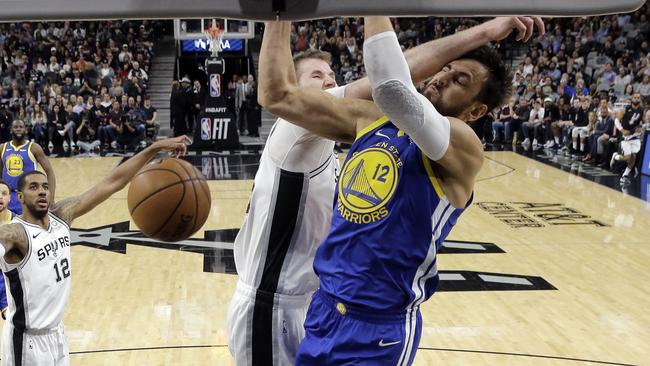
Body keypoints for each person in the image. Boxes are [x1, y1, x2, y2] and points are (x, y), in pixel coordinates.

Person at [253, 16, 542, 366]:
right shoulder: (371, 120)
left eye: (459, 80)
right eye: (446, 69)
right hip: (323, 311)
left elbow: (392, 87)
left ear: (476, 109)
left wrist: (375, 7)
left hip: (378, 331)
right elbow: (277, 96)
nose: (441, 77)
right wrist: (276, 16)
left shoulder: (463, 145)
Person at [0, 135, 189, 366]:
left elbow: (112, 182)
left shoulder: (61, 216)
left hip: (57, 334)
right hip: (26, 341)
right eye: (34, 187)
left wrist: (154, 148)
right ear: (19, 197)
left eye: (45, 187)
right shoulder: (14, 234)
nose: (42, 192)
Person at [1, 120, 56, 216]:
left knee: (29, 228)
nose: (18, 129)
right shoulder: (3, 148)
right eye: (16, 127)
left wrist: (51, 197)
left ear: (25, 130)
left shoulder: (34, 148)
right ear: (11, 130)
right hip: (8, 196)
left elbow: (49, 171)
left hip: (28, 195)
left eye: (21, 127)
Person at [0, 180, 13, 320]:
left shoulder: (17, 223)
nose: (0, 197)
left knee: (11, 319)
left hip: (8, 279)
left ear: (10, 197)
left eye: (4, 193)